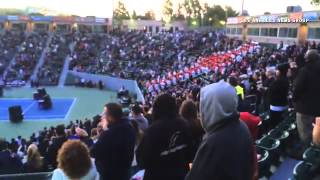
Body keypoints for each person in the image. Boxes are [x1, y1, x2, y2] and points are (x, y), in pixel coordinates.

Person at [185, 80, 254, 180]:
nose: (200, 113)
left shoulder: (213, 141)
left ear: (212, 107)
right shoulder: (241, 125)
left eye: (204, 106)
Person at [136, 94, 193, 180]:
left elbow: (142, 161)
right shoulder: (184, 125)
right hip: (181, 175)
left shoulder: (152, 130)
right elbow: (191, 154)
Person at [91, 103, 135, 180]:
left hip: (110, 175)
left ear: (110, 117)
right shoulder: (129, 127)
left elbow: (93, 152)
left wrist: (104, 132)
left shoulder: (108, 135)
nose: (102, 116)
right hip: (125, 171)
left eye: (104, 113)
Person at [293, 49, 320, 147]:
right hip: (317, 108)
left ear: (307, 59)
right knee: (316, 132)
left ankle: (307, 153)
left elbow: (297, 88)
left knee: (305, 133)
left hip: (304, 108)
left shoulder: (304, 71)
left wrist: (294, 100)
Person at [268, 63, 290, 129]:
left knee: (276, 126)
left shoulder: (279, 81)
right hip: (284, 104)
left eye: (277, 70)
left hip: (276, 107)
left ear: (281, 71)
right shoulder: (285, 80)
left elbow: (271, 92)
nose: (276, 71)